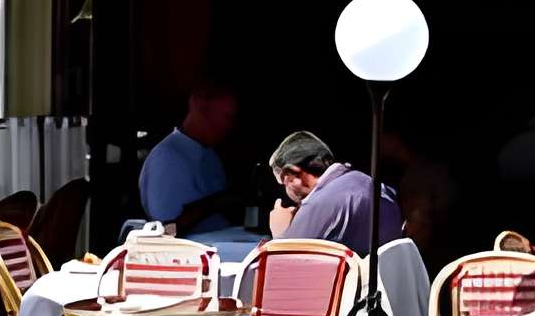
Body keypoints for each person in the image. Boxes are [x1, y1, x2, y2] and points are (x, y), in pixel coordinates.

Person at [267, 130, 402, 258]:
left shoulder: (321, 204)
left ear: (291, 175)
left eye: (284, 183)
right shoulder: (372, 185)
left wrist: (280, 233)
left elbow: (285, 266)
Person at [139, 86, 240, 231]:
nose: (230, 126)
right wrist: (219, 202)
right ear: (201, 110)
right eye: (228, 117)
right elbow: (168, 228)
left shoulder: (210, 156)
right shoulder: (167, 158)